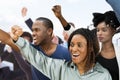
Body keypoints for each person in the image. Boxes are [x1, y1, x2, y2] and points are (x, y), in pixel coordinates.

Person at [0, 27, 112, 80]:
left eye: (80, 45)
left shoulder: (103, 75)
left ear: (90, 48)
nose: (74, 49)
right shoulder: (60, 68)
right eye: (72, 45)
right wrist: (13, 39)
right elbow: (21, 46)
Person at [21, 12, 71, 80]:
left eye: (68, 31)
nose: (65, 33)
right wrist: (26, 18)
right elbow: (39, 31)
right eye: (64, 31)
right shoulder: (56, 39)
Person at [92, 10, 120, 80]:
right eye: (98, 30)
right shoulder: (94, 52)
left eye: (104, 30)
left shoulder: (119, 53)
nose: (99, 33)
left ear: (114, 31)